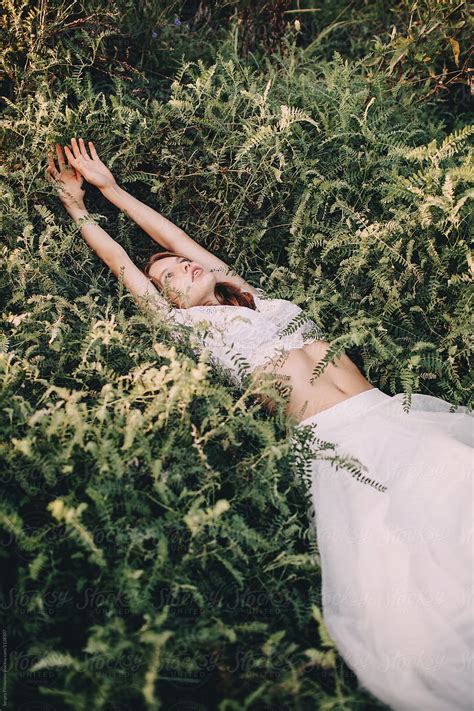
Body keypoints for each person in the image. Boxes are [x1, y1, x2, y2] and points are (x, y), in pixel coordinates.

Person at [46, 138, 473, 711]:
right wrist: (78, 208)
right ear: (166, 304)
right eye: (170, 275)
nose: (181, 264)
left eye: (181, 260)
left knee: (458, 474)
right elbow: (125, 263)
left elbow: (170, 236)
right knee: (421, 557)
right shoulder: (188, 328)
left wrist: (111, 189)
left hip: (387, 411)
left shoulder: (251, 299)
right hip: (339, 441)